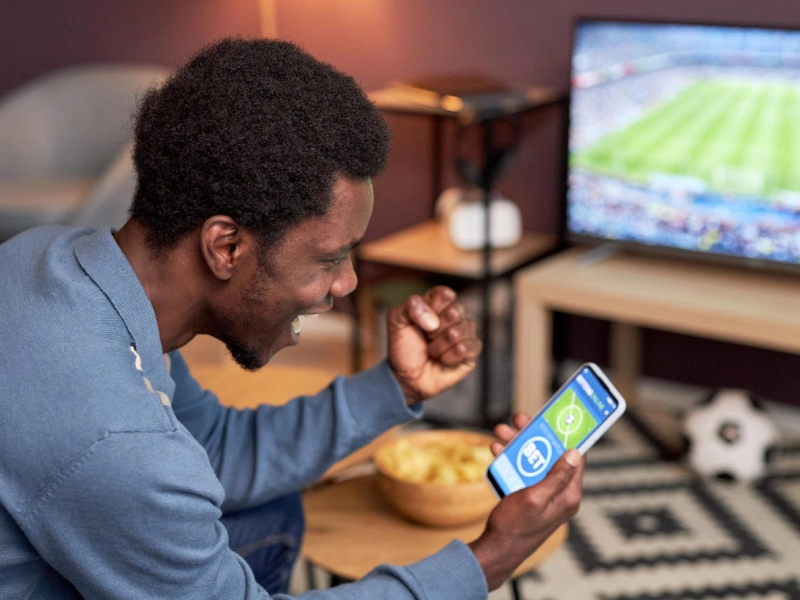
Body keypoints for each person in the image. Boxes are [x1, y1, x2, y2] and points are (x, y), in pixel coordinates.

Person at [0, 38, 584, 600]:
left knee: (273, 505)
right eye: (329, 258)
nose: (349, 283)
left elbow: (217, 450)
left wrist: (395, 385)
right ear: (225, 246)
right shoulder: (119, 442)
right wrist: (492, 558)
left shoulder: (48, 255)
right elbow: (139, 459)